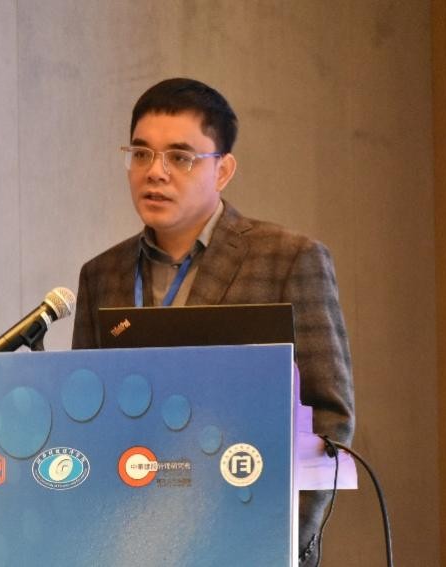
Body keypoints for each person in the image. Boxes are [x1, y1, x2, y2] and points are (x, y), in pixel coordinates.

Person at [71, 77, 354, 566]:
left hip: (249, 538)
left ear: (223, 170)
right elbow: (86, 417)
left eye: (180, 157)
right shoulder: (102, 275)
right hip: (130, 544)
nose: (155, 172)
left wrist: (279, 542)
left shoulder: (288, 259)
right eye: (141, 154)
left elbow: (329, 420)